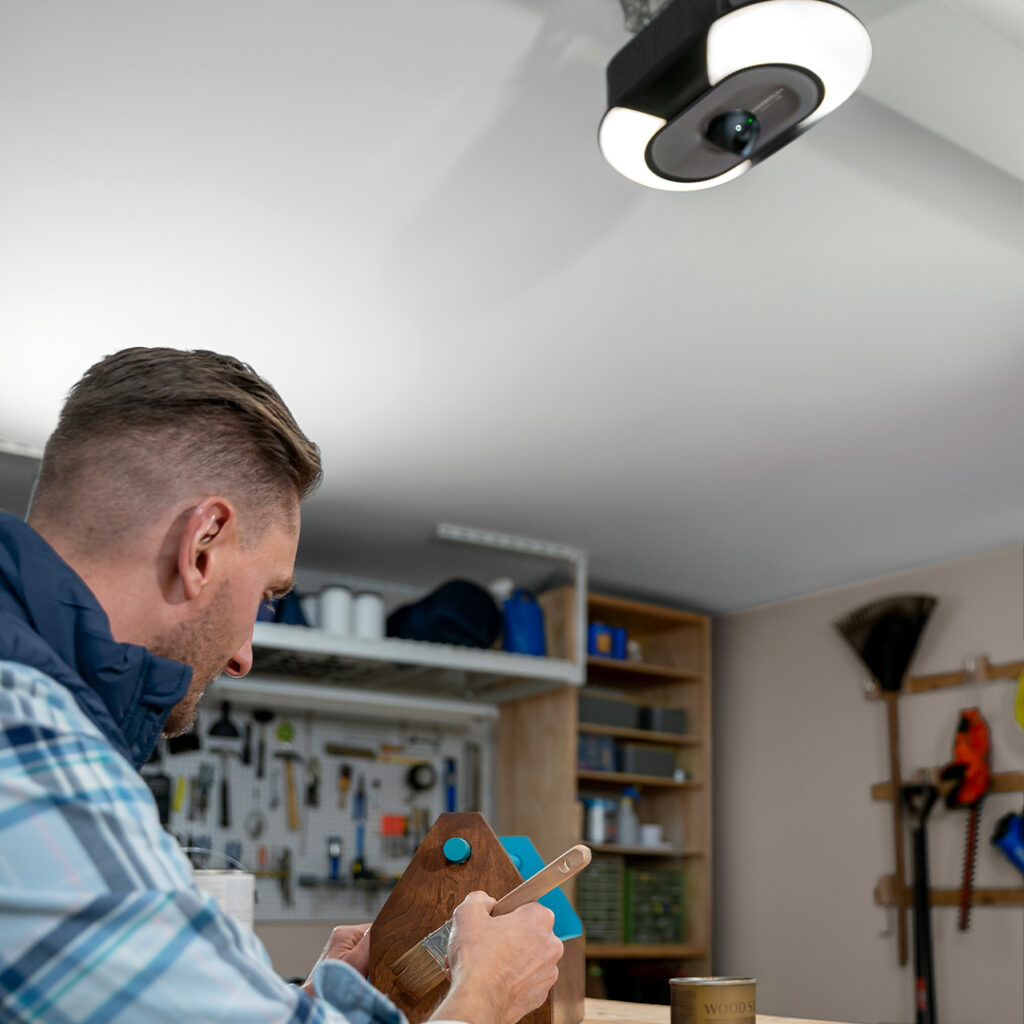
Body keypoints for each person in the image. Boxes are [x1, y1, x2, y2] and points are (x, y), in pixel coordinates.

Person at [0, 347, 563, 1024]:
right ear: (203, 543)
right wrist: (488, 991)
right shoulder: (31, 744)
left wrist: (310, 1001)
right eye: (266, 597)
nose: (243, 656)